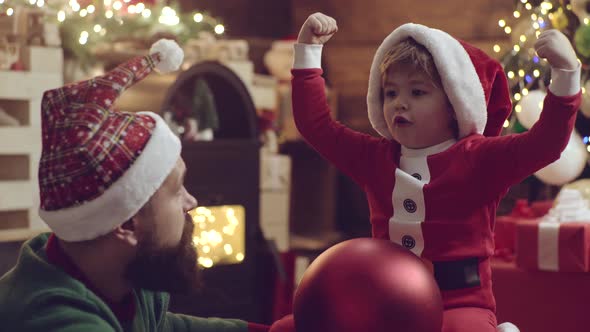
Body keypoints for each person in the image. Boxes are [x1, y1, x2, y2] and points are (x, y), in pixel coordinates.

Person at [290, 12, 580, 332]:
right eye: (391, 93)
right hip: (385, 301)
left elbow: (546, 144)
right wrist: (308, 51)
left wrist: (566, 74)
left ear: (454, 106)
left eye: (417, 92)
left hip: (460, 302)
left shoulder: (481, 160)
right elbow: (316, 126)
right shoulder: (374, 157)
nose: (400, 103)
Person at [0, 39, 288, 332]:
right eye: (177, 191)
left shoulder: (116, 277)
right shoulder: (56, 321)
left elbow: (164, 327)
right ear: (127, 224)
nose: (192, 203)